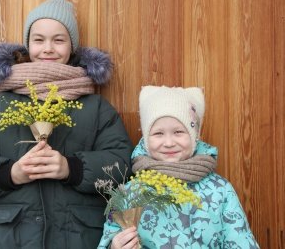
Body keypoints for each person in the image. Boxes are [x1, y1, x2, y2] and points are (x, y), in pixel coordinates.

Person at [0, 0, 133, 249]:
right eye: (38, 40)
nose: (48, 48)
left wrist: (72, 169)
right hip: (8, 238)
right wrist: (11, 173)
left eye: (58, 40)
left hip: (77, 237)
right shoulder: (2, 104)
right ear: (28, 46)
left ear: (72, 47)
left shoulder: (96, 108)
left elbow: (123, 166)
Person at [98, 86, 260, 248]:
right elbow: (110, 235)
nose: (168, 143)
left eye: (178, 132)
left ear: (194, 136)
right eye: (158, 134)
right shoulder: (129, 194)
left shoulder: (220, 191)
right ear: (146, 140)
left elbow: (241, 242)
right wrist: (114, 246)